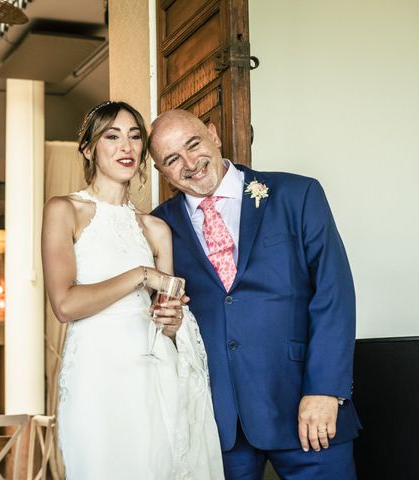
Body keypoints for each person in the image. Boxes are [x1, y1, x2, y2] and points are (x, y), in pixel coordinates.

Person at [149, 109, 360, 479]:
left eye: (193, 144)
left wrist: (326, 390)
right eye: (171, 159)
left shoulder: (297, 194)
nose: (190, 163)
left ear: (213, 135)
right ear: (161, 172)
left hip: (305, 405)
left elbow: (333, 294)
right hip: (216, 423)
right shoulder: (158, 225)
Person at [42, 101, 224, 479]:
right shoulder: (65, 210)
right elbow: (64, 304)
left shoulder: (156, 229)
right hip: (96, 375)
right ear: (90, 149)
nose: (126, 146)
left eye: (135, 136)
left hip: (153, 374)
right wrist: (141, 274)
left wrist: (173, 323)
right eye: (112, 136)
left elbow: (168, 318)